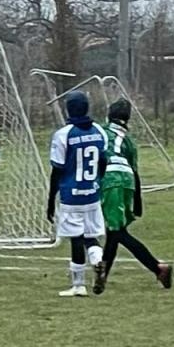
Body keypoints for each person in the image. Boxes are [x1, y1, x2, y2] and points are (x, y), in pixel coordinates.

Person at [94, 97, 172, 293]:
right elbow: (134, 172)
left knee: (117, 232)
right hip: (127, 181)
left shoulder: (100, 131)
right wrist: (138, 200)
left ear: (108, 116)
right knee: (115, 231)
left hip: (110, 179)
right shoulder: (129, 142)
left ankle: (157, 267)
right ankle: (103, 276)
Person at [47, 91, 107, 298]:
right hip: (92, 192)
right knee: (91, 237)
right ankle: (98, 260)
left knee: (76, 238)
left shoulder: (64, 134)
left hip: (71, 195)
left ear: (68, 109)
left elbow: (57, 170)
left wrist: (50, 200)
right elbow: (103, 161)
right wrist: (97, 181)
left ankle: (79, 285)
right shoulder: (99, 130)